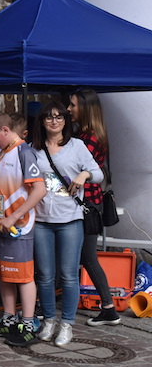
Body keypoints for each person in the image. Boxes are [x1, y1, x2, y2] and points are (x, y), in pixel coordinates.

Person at [33, 102, 103, 347]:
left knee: (69, 275)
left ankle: (67, 324)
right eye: (49, 117)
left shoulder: (77, 146)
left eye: (59, 117)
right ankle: (49, 320)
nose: (54, 121)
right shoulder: (34, 148)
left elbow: (98, 173)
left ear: (65, 121)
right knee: (45, 275)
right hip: (41, 219)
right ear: (42, 121)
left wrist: (84, 175)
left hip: (70, 218)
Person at [0, 111, 46, 347]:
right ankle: (8, 318)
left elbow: (39, 190)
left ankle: (28, 323)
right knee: (3, 273)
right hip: (0, 224)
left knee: (23, 276)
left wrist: (14, 217)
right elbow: (1, 180)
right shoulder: (1, 151)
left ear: (5, 130)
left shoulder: (24, 152)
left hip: (19, 226)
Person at [68, 89, 121, 326]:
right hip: (91, 202)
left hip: (86, 203)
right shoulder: (92, 134)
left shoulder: (87, 138)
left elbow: (77, 167)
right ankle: (108, 308)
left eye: (73, 105)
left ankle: (109, 308)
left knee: (87, 257)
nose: (69, 109)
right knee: (85, 256)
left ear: (85, 108)